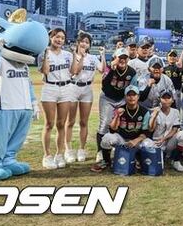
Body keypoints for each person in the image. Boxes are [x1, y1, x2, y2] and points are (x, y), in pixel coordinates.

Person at [38, 28, 74, 170]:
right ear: (50, 37)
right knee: (49, 124)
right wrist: (46, 54)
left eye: (62, 38)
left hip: (66, 88)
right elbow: (45, 71)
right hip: (50, 88)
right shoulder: (43, 53)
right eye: (57, 37)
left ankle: (59, 154)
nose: (59, 40)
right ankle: (47, 156)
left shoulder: (68, 55)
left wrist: (77, 55)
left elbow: (73, 72)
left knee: (61, 124)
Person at [91, 85, 150, 172]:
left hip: (136, 141)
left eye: (134, 95)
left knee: (149, 143)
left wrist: (135, 141)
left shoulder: (144, 112)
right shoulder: (120, 110)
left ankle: (142, 161)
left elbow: (146, 133)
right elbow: (112, 129)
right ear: (125, 97)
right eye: (129, 95)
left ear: (138, 97)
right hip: (122, 140)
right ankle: (106, 161)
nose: (131, 97)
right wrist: (117, 116)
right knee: (107, 138)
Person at [94, 47, 137, 165]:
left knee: (119, 124)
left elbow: (133, 88)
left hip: (122, 99)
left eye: (125, 58)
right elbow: (104, 85)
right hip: (107, 98)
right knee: (105, 124)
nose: (122, 60)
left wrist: (127, 103)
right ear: (115, 58)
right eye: (120, 58)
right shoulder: (109, 68)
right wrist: (111, 70)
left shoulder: (132, 72)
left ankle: (115, 147)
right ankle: (100, 151)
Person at [67, 31, 105, 163]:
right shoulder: (71, 56)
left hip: (87, 89)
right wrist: (82, 57)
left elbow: (102, 70)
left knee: (84, 122)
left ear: (89, 45)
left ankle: (81, 149)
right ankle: (68, 149)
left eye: (87, 42)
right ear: (78, 43)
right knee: (70, 121)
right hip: (73, 87)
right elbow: (75, 71)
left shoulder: (92, 58)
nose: (84, 44)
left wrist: (102, 55)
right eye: (82, 41)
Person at [141, 90, 183, 172]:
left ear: (172, 100)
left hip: (169, 142)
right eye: (164, 98)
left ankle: (176, 160)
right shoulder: (154, 111)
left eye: (168, 98)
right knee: (159, 168)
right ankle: (161, 156)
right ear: (160, 99)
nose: (166, 100)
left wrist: (164, 139)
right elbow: (151, 129)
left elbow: (175, 129)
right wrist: (154, 116)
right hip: (155, 143)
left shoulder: (175, 112)